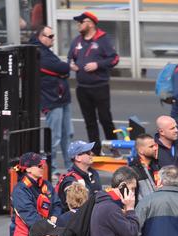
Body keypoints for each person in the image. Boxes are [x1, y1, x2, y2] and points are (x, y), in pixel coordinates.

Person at [68, 11, 119, 155]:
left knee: (105, 119)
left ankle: (113, 148)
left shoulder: (103, 40)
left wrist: (98, 65)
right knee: (89, 122)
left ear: (90, 23)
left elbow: (114, 59)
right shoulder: (77, 41)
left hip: (99, 87)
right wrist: (72, 64)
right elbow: (70, 58)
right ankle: (95, 151)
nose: (78, 25)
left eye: (81, 22)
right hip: (82, 88)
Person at [31, 24, 74, 170]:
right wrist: (64, 68)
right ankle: (52, 168)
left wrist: (63, 69)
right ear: (40, 37)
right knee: (55, 138)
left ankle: (69, 166)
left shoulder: (46, 51)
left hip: (60, 98)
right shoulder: (38, 52)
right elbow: (61, 68)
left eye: (53, 36)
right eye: (50, 36)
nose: (53, 39)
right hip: (52, 100)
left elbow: (63, 70)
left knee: (67, 135)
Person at [10, 152, 61, 236]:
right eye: (39, 166)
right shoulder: (20, 190)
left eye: (42, 165)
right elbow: (30, 217)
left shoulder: (45, 185)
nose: (42, 167)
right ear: (28, 169)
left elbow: (57, 204)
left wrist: (54, 216)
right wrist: (51, 227)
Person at [56, 140, 102, 210]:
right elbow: (76, 207)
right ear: (78, 158)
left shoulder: (94, 173)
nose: (91, 154)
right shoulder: (70, 181)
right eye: (88, 152)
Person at [127, 133, 160, 200]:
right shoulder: (132, 170)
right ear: (141, 150)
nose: (155, 148)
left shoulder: (158, 165)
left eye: (155, 145)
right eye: (151, 146)